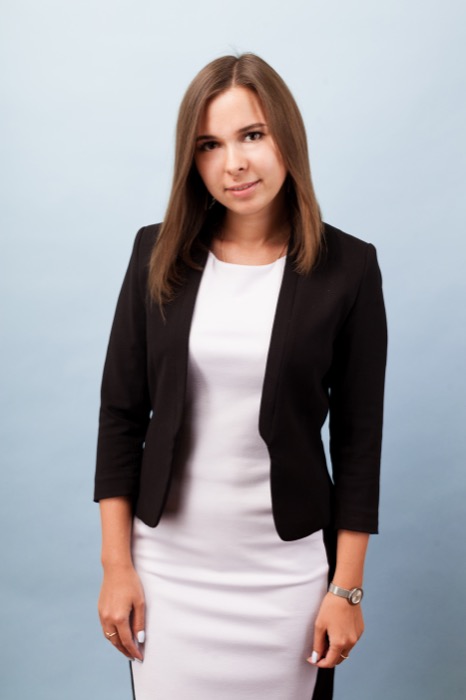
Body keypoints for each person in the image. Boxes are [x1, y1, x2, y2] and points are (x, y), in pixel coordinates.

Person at [94, 53, 387, 700]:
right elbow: (120, 415)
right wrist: (117, 566)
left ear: (287, 136)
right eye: (210, 145)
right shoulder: (155, 252)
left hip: (287, 576)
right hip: (167, 573)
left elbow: (359, 444)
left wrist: (347, 589)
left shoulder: (349, 269)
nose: (234, 163)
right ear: (192, 160)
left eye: (252, 134)